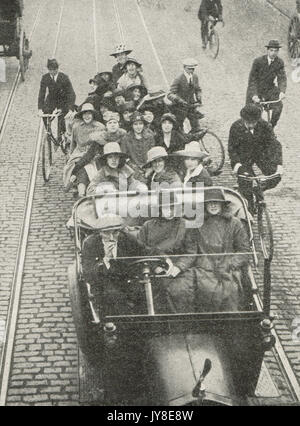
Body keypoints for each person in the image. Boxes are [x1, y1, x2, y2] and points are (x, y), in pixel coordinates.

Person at [166, 188, 250, 313]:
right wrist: (179, 267)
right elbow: (191, 252)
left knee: (229, 292)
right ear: (205, 205)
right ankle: (189, 324)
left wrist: (230, 263)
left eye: (217, 202)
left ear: (222, 205)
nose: (213, 205)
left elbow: (244, 251)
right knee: (178, 289)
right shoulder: (197, 224)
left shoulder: (235, 224)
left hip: (227, 269)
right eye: (210, 203)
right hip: (201, 269)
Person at [82, 214, 145, 316]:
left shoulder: (127, 238)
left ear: (119, 231)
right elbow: (88, 274)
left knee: (149, 290)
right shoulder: (90, 244)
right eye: (106, 233)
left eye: (115, 232)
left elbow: (146, 251)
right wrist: (106, 258)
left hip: (127, 280)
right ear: (100, 233)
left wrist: (165, 260)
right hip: (103, 283)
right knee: (113, 295)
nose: (111, 237)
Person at [228, 104, 283, 214]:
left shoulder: (265, 126)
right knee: (245, 181)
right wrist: (237, 165)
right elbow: (232, 148)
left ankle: (259, 188)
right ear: (243, 119)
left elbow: (275, 145)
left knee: (275, 176)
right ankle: (249, 206)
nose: (251, 125)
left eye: (254, 122)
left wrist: (278, 165)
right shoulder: (236, 127)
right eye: (248, 122)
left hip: (260, 155)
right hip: (243, 157)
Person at [246, 40, 287, 128]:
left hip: (269, 89)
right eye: (271, 50)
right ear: (267, 50)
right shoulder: (258, 61)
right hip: (256, 89)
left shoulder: (279, 62)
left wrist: (282, 92)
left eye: (275, 51)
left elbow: (282, 78)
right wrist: (254, 95)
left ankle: (270, 127)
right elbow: (252, 80)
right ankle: (254, 129)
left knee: (278, 106)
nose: (273, 53)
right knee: (254, 111)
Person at [38, 59, 76, 134]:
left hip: (63, 100)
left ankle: (62, 135)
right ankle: (48, 131)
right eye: (50, 70)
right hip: (51, 99)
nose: (52, 72)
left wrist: (70, 109)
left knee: (62, 119)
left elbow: (71, 94)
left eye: (54, 70)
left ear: (57, 69)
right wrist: (40, 108)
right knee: (45, 114)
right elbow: (41, 93)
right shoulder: (45, 77)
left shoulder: (64, 77)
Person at [167, 58, 203, 133]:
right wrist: (179, 100)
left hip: (191, 106)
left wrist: (199, 97)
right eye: (189, 69)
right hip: (180, 108)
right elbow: (170, 94)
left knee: (196, 127)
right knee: (179, 129)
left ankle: (193, 139)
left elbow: (198, 89)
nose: (191, 71)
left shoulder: (195, 77)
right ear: (184, 67)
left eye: (193, 69)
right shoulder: (179, 79)